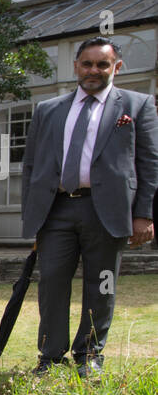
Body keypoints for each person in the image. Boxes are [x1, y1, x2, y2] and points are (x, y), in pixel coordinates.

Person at [21, 36, 158, 377]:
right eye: (87, 63)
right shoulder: (48, 110)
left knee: (103, 284)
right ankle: (50, 357)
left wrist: (144, 214)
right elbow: (31, 166)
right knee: (52, 284)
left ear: (117, 67)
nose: (93, 70)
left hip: (107, 211)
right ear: (76, 66)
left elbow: (150, 163)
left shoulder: (137, 106)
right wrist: (32, 216)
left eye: (102, 64)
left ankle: (90, 355)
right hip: (56, 211)